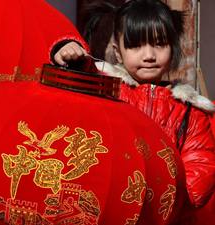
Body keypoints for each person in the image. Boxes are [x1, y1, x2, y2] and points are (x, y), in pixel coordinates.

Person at [52, 0, 215, 223]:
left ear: (173, 47)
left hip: (162, 213)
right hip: (107, 203)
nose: (149, 55)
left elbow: (201, 162)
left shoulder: (188, 111)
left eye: (159, 44)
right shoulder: (105, 87)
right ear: (118, 53)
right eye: (136, 45)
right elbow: (75, 80)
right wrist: (68, 50)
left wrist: (170, 201)